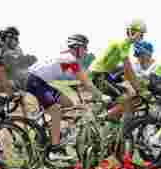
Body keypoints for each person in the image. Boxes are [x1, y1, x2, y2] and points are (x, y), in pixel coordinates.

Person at [24, 33, 107, 161]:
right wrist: (100, 96)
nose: (86, 51)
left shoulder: (65, 57)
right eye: (84, 48)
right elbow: (85, 81)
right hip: (35, 82)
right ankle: (54, 150)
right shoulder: (69, 58)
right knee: (56, 111)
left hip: (42, 82)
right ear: (76, 47)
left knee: (69, 104)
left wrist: (79, 85)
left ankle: (51, 128)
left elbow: (72, 77)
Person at [87, 19, 148, 119]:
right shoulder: (123, 43)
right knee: (125, 97)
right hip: (97, 74)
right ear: (132, 32)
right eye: (141, 34)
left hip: (103, 73)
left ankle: (109, 115)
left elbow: (125, 70)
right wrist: (139, 89)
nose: (142, 37)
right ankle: (104, 119)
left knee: (129, 93)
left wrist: (136, 84)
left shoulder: (127, 45)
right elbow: (128, 69)